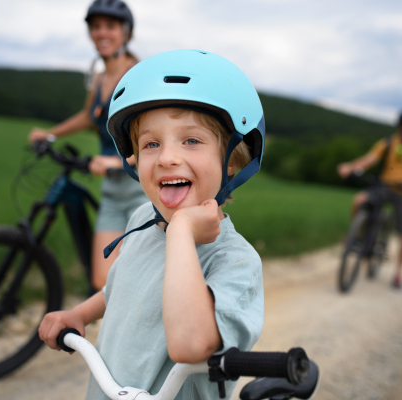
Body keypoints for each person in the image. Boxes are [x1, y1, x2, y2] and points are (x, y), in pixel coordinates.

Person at [38, 49, 266, 400]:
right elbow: (122, 287)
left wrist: (181, 232)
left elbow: (191, 344)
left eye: (191, 140)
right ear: (133, 159)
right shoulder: (143, 218)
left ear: (232, 159)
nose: (167, 158)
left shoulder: (236, 262)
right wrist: (80, 313)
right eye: (151, 144)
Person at [28, 0, 147, 292]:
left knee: (146, 278)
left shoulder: (138, 75)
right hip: (111, 192)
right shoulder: (99, 77)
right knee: (102, 282)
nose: (101, 33)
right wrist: (50, 134)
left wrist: (116, 161)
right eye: (95, 27)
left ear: (126, 33)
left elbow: (155, 136)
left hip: (142, 190)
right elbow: (89, 115)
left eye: (110, 26)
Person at [337, 111, 402, 289]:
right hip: (384, 186)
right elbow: (368, 159)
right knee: (359, 199)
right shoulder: (388, 143)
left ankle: (398, 274)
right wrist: (350, 166)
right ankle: (357, 237)